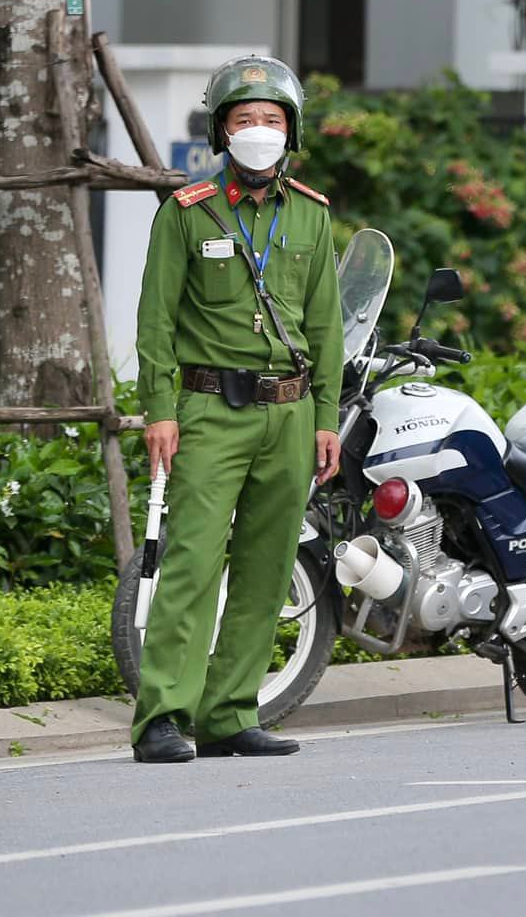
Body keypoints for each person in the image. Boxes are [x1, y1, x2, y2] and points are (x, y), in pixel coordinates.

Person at [130, 56, 344, 763]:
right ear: (223, 131)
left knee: (267, 563)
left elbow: (327, 327)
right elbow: (155, 320)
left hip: (288, 413)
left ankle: (229, 713)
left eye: (272, 120)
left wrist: (324, 417)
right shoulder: (187, 212)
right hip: (207, 410)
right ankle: (163, 714)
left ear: (292, 130)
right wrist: (157, 410)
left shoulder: (311, 215)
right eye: (245, 119)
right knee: (191, 561)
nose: (259, 130)